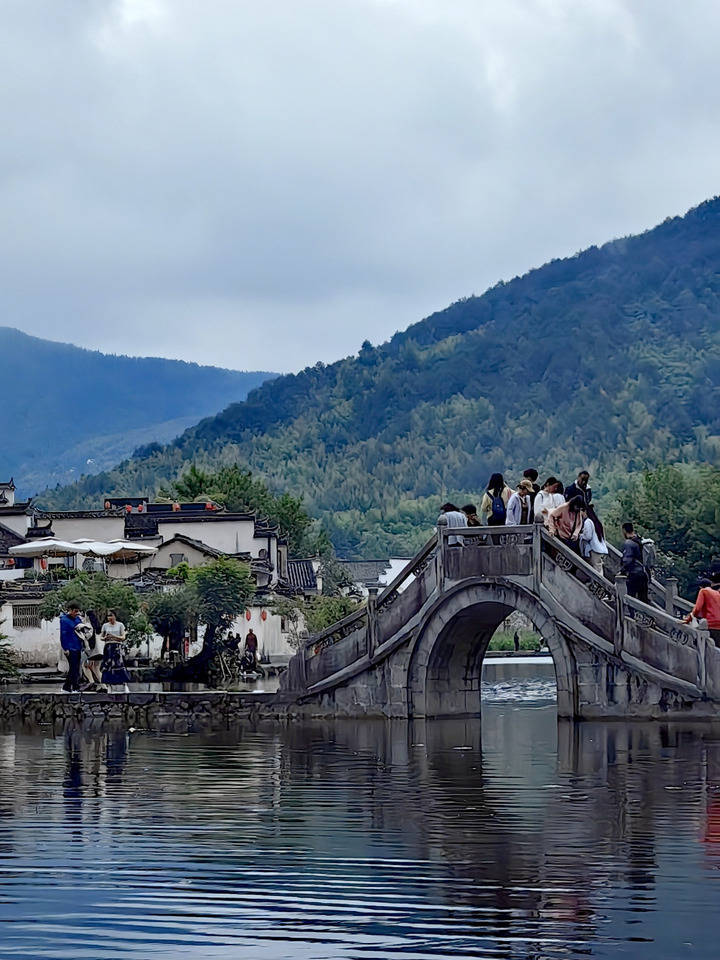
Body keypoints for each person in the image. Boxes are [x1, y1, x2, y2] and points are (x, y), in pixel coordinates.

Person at [684, 570, 720, 643]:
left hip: (711, 624)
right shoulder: (717, 593)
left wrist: (689, 619)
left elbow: (697, 608)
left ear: (700, 586)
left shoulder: (703, 591)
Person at [101, 610, 131, 693]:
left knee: (120, 665)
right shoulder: (105, 625)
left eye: (111, 615)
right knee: (108, 666)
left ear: (115, 616)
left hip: (117, 646)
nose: (110, 618)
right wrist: (106, 638)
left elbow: (123, 637)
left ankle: (125, 685)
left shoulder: (120, 625)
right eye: (108, 616)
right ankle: (109, 686)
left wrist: (114, 636)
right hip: (108, 646)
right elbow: (101, 637)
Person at [620, 522, 649, 603]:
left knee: (631, 599)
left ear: (624, 531)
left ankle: (632, 615)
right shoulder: (639, 540)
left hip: (634, 574)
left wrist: (622, 571)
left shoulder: (629, 543)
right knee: (644, 599)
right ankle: (646, 615)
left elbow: (627, 560)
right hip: (644, 573)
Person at [60, 603, 84, 693]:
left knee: (76, 667)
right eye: (75, 611)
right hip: (70, 647)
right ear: (70, 610)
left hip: (78, 646)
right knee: (73, 667)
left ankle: (67, 687)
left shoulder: (78, 619)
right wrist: (65, 648)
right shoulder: (64, 620)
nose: (76, 613)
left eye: (77, 611)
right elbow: (63, 635)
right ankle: (74, 687)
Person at [579, 506, 609, 574]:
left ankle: (598, 584)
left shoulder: (588, 522)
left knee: (596, 569)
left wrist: (581, 536)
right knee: (598, 568)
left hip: (595, 550)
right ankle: (597, 583)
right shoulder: (597, 522)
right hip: (601, 549)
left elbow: (588, 536)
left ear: (585, 512)